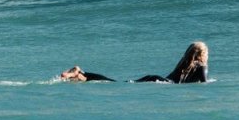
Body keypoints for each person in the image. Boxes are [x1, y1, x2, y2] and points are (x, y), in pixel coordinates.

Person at [58, 42, 209, 84]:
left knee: (118, 82)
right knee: (117, 83)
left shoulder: (184, 63)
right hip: (160, 81)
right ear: (203, 54)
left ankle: (82, 74)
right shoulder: (200, 66)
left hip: (157, 78)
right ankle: (81, 74)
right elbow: (204, 83)